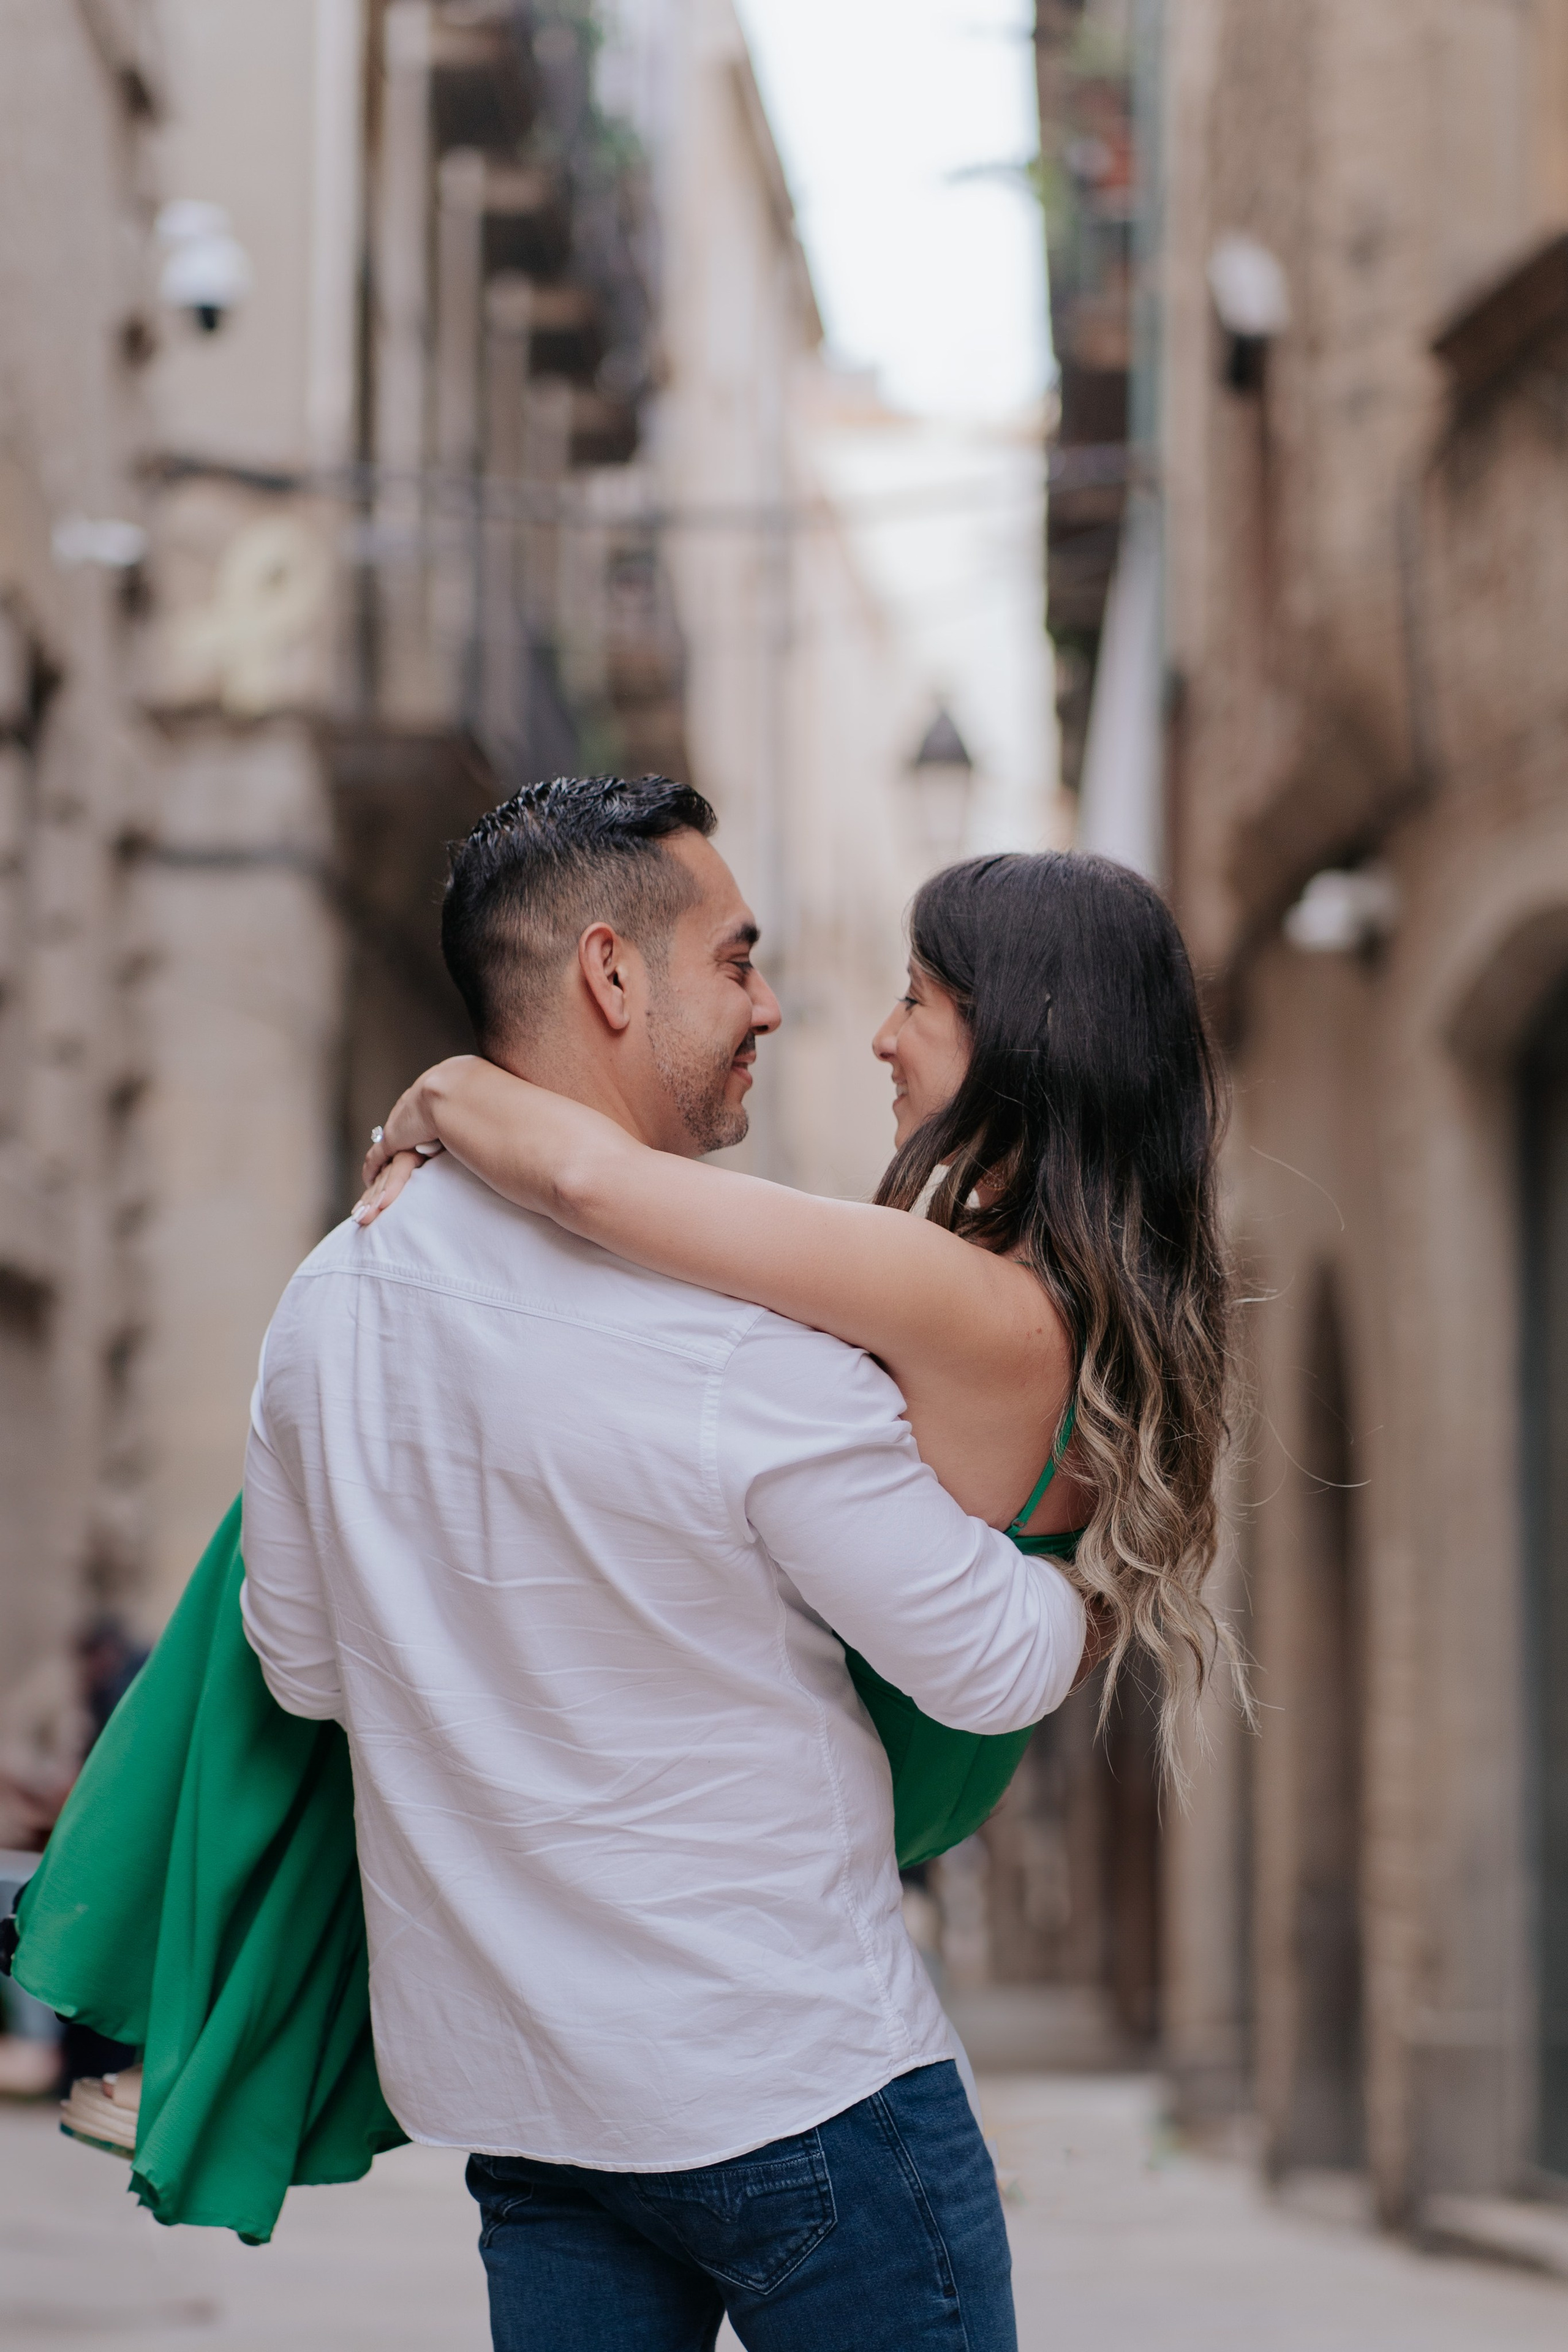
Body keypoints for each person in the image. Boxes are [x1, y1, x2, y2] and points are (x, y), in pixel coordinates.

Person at [241, 775, 1104, 2352]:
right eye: (737, 959)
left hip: (523, 2102)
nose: (774, 1007)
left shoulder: (324, 1300)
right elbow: (983, 1666)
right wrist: (1092, 1562)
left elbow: (302, 1663)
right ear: (610, 976)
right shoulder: (751, 1343)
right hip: (788, 2078)